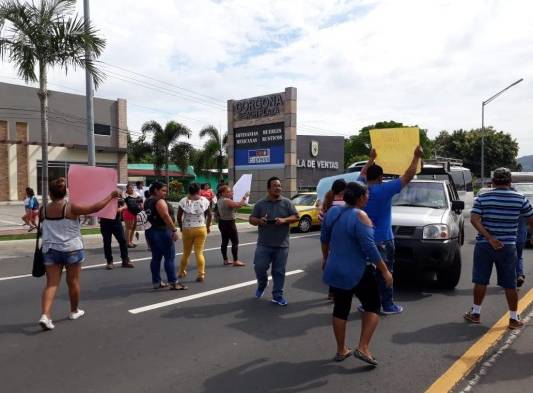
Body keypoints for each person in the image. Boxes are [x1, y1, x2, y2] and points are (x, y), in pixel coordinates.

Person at [321, 182, 393, 366]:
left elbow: (324, 238)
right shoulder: (360, 216)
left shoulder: (333, 212)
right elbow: (370, 248)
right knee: (373, 305)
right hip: (356, 270)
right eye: (367, 194)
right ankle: (363, 347)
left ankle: (341, 350)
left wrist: (325, 259)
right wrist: (385, 271)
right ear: (361, 197)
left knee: (341, 308)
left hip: (335, 268)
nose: (368, 197)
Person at [38, 178, 119, 331]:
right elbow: (94, 208)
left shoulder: (43, 209)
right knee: (73, 281)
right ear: (65, 192)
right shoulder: (71, 207)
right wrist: (111, 196)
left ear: (50, 193)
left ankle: (45, 315)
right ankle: (74, 311)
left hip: (50, 249)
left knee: (51, 284)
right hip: (72, 249)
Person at [465, 168, 533, 330]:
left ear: (493, 182)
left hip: (484, 246)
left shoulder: (483, 197)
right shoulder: (520, 198)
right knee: (510, 284)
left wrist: (489, 238)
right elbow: (531, 219)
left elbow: (474, 220)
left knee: (480, 280)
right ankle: (513, 318)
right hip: (508, 246)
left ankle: (475, 313)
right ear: (510, 182)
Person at [358, 146, 423, 315]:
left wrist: (371, 158)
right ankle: (387, 305)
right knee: (386, 272)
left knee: (369, 274)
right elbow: (408, 176)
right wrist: (416, 156)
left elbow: (362, 174)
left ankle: (368, 304)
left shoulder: (360, 188)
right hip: (383, 240)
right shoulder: (384, 189)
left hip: (364, 240)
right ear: (381, 177)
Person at [249, 177, 299, 306]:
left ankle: (277, 296)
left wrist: (284, 220)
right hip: (264, 244)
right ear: (268, 188)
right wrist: (259, 221)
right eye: (275, 186)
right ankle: (262, 284)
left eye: (279, 186)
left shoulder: (287, 203)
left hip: (282, 245)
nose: (278, 188)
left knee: (279, 271)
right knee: (259, 267)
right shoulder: (260, 204)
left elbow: (295, 217)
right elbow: (251, 219)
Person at [144, 181, 186, 290]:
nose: (165, 193)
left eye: (166, 191)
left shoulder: (147, 201)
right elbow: (165, 216)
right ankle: (173, 282)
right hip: (162, 232)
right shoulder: (159, 201)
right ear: (156, 190)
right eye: (163, 190)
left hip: (151, 231)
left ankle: (157, 282)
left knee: (156, 258)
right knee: (169, 258)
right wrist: (173, 230)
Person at [177, 183, 212, 282]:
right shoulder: (204, 200)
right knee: (199, 252)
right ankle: (201, 274)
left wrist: (181, 227)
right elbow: (209, 215)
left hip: (187, 229)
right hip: (201, 228)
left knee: (186, 253)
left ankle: (181, 272)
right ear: (198, 191)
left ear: (189, 191)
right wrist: (208, 226)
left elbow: (179, 217)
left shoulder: (183, 201)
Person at [217, 185, 248, 266]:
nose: (231, 193)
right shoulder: (226, 200)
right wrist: (245, 197)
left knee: (224, 241)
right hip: (229, 223)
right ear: (222, 193)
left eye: (231, 191)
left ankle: (225, 260)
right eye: (228, 192)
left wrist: (240, 203)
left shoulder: (220, 200)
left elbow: (235, 204)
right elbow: (238, 205)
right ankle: (235, 260)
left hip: (222, 222)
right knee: (235, 242)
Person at [99, 198, 133, 270]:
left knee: (123, 240)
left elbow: (125, 204)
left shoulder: (116, 196)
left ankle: (125, 260)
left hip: (116, 221)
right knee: (107, 242)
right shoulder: (101, 197)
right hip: (105, 221)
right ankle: (109, 261)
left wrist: (121, 207)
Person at [123, 183, 140, 248]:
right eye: (130, 188)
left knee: (133, 228)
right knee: (129, 228)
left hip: (135, 212)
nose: (131, 189)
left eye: (132, 188)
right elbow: (124, 202)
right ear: (127, 189)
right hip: (128, 212)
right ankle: (127, 243)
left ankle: (130, 241)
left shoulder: (135, 194)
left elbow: (140, 200)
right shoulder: (124, 194)